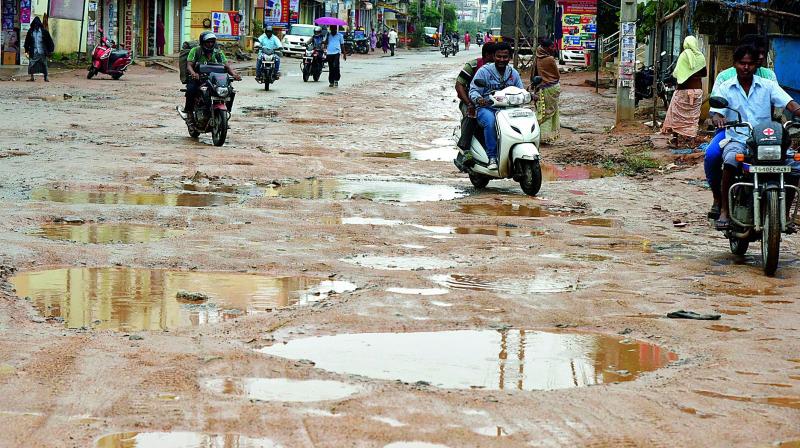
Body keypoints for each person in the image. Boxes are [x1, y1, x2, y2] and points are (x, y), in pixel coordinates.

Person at [710, 44, 800, 230]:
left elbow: (790, 105)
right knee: (729, 161)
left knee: (795, 165)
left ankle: (785, 213)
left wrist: (798, 111)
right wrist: (718, 118)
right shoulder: (726, 87)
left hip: (767, 141)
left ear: (755, 66)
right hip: (738, 139)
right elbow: (715, 113)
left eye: (750, 64)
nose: (746, 67)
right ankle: (725, 210)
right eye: (742, 63)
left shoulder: (768, 86)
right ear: (734, 64)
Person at [704, 35, 778, 219]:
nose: (760, 58)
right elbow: (715, 110)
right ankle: (718, 198)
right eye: (756, 53)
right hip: (733, 129)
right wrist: (719, 117)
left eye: (762, 53)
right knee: (713, 155)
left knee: (789, 162)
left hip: (763, 132)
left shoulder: (768, 77)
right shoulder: (726, 78)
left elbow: (781, 102)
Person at [469, 42, 524, 170]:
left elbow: (521, 90)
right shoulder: (484, 72)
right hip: (487, 108)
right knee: (491, 122)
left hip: (508, 109)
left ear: (509, 57)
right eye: (499, 56)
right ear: (494, 57)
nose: (502, 60)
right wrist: (479, 99)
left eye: (505, 57)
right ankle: (492, 156)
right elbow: (473, 90)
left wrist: (531, 95)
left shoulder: (513, 73)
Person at [181, 32, 241, 130]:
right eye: (207, 42)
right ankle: (189, 115)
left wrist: (234, 74)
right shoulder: (195, 51)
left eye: (212, 42)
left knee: (230, 90)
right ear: (202, 42)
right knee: (191, 90)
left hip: (213, 78)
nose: (210, 44)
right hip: (198, 78)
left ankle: (224, 116)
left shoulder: (218, 52)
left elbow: (226, 65)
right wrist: (193, 73)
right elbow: (189, 65)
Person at [661, 36, 706, 148]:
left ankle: (676, 141)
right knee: (693, 117)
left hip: (683, 91)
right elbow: (704, 73)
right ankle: (692, 142)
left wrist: (687, 73)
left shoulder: (684, 55)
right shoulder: (700, 56)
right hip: (697, 91)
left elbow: (678, 74)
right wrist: (694, 73)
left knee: (676, 116)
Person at [455, 42, 496, 153]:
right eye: (496, 55)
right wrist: (469, 103)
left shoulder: (502, 69)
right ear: (488, 55)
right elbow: (459, 86)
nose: (499, 59)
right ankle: (465, 149)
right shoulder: (472, 66)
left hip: (494, 102)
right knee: (472, 115)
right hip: (470, 101)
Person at [533, 38, 561, 144]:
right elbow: (557, 74)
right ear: (545, 47)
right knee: (549, 113)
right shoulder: (550, 59)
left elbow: (534, 73)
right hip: (551, 87)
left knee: (541, 111)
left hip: (541, 87)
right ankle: (544, 137)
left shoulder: (537, 57)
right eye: (551, 46)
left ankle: (537, 135)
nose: (553, 48)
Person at [23, 17, 54, 82]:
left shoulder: (44, 32)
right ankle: (32, 77)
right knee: (31, 64)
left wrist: (50, 50)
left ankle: (46, 77)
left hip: (42, 51)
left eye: (37, 25)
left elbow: (49, 41)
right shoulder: (30, 32)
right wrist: (26, 49)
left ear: (40, 25)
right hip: (33, 51)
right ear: (33, 25)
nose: (36, 26)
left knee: (44, 64)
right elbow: (27, 41)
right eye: (35, 25)